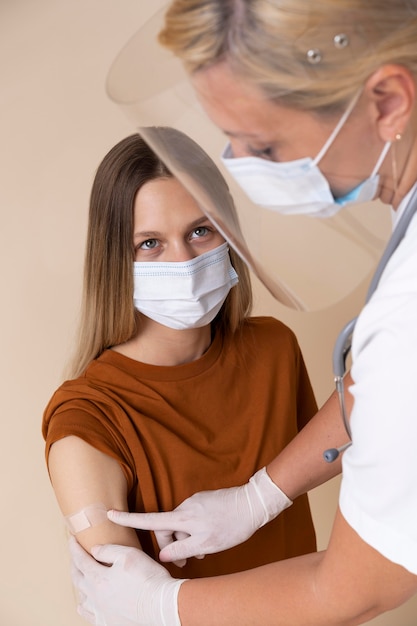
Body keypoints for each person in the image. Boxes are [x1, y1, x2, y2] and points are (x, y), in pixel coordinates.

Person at [70, 1, 417, 624]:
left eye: (263, 142)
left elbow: (356, 587)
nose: (244, 169)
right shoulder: (90, 414)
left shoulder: (395, 316)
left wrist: (163, 604)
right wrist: (260, 496)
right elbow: (378, 392)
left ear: (388, 101)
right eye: (149, 243)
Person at [42, 129, 319, 585]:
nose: (184, 261)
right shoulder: (87, 421)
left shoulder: (274, 349)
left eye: (200, 230)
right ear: (115, 260)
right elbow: (131, 609)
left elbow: (353, 438)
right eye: (149, 243)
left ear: (227, 230)